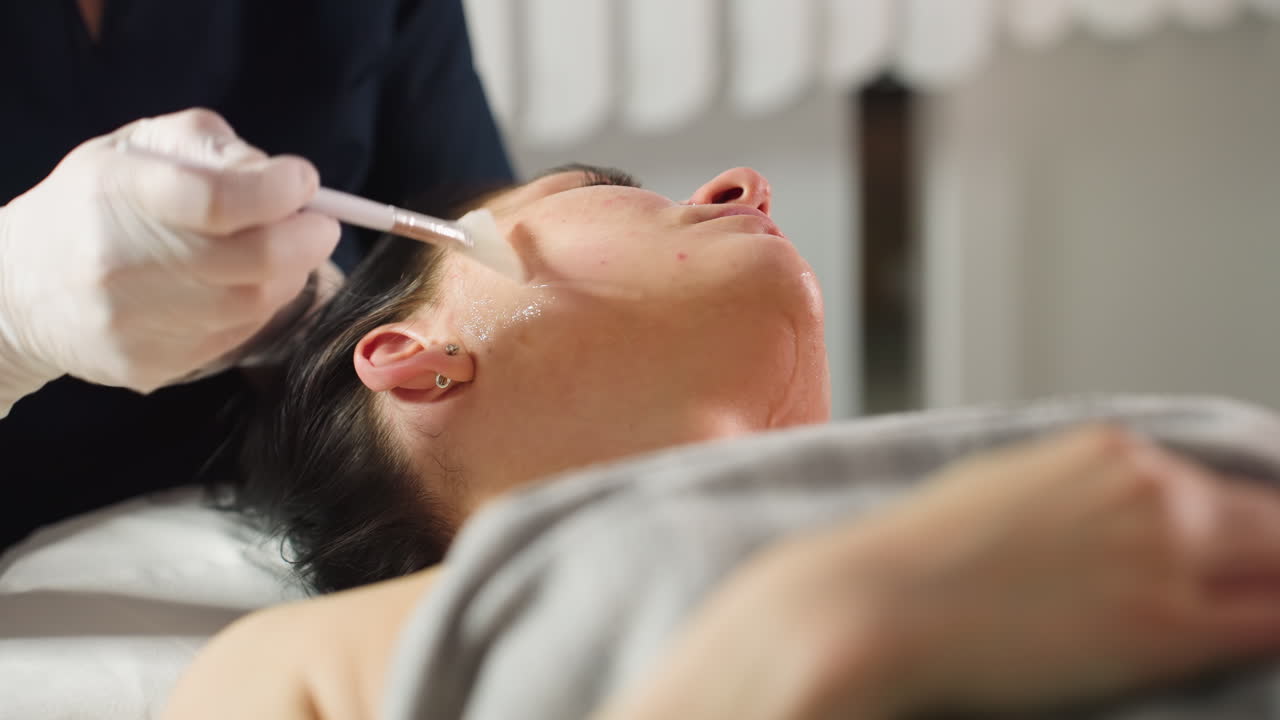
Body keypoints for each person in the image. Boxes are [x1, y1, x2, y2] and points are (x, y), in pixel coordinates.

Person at [157, 165, 1280, 718]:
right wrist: (811, 631)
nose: (739, 183)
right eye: (597, 191)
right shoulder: (323, 660)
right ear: (417, 363)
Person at [0, 0, 514, 550]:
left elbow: (465, 231)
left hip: (295, 512)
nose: (574, 193)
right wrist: (12, 316)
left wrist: (310, 324)